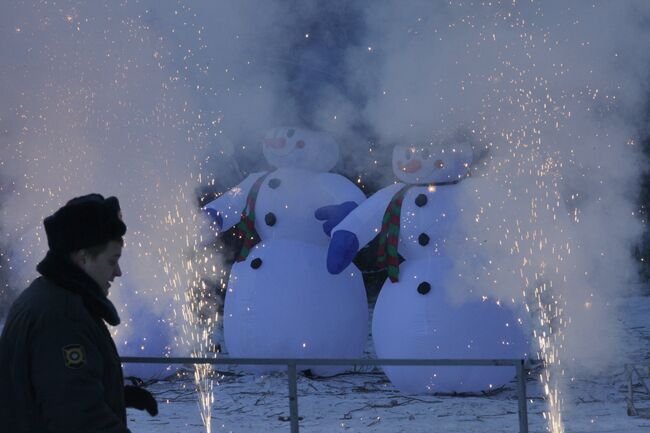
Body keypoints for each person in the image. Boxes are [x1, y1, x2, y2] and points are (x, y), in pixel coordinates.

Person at [0, 194, 157, 433]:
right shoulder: (63, 318)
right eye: (112, 260)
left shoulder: (47, 295)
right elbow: (78, 420)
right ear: (83, 258)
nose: (118, 272)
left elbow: (54, 389)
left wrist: (115, 394)